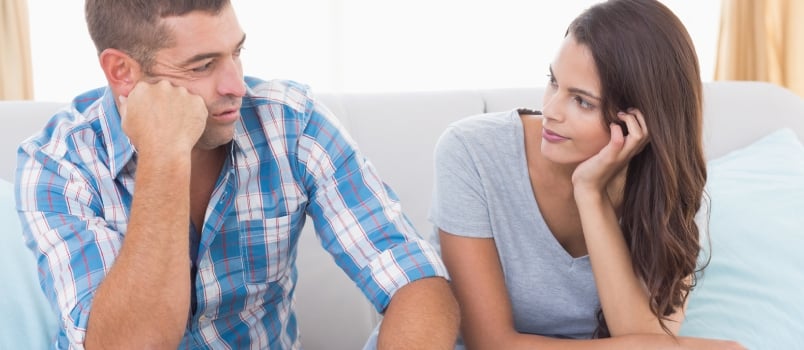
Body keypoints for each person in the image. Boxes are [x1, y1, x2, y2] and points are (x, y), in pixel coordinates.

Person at [15, 1, 459, 349]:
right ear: (122, 72)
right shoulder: (57, 167)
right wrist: (165, 157)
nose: (236, 85)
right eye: (202, 66)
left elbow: (414, 282)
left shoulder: (293, 124)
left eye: (237, 52)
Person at [430, 0, 744, 349]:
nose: (550, 111)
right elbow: (489, 342)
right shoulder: (472, 151)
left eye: (582, 101)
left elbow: (642, 337)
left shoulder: (670, 195)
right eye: (553, 82)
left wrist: (590, 192)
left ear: (641, 122)